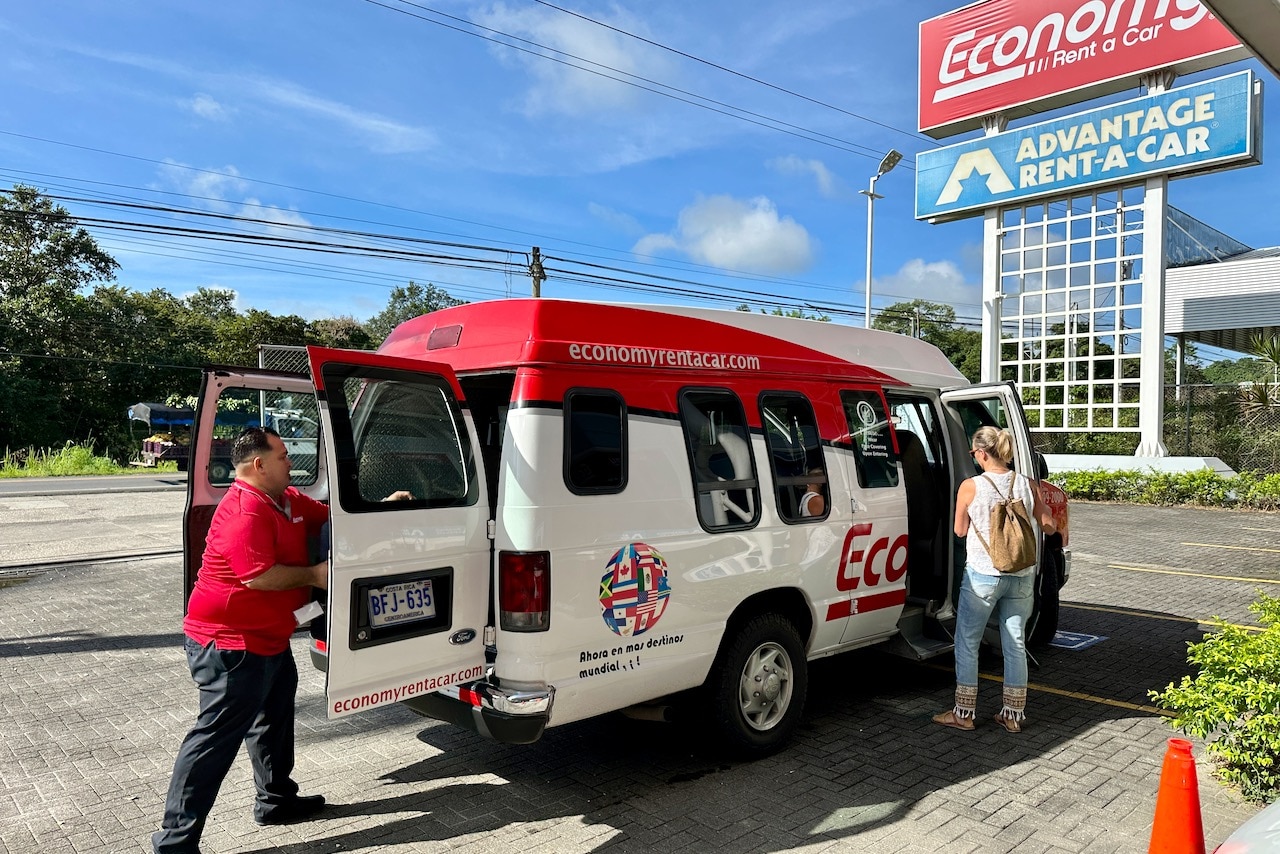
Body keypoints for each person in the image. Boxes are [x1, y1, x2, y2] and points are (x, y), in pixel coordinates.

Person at [153, 427, 330, 854]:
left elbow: (330, 515)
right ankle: (175, 843)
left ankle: (275, 801)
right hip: (228, 646)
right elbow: (259, 576)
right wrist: (314, 575)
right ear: (259, 465)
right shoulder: (244, 511)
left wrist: (385, 509)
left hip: (270, 637)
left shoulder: (286, 499)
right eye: (284, 455)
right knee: (214, 740)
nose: (292, 462)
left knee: (272, 723)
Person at [933, 426, 1056, 734]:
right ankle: (1013, 715)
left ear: (983, 453)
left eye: (975, 453)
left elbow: (959, 531)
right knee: (1014, 642)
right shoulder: (1028, 483)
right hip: (1022, 575)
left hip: (983, 575)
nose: (974, 458)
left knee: (967, 641)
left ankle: (964, 712)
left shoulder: (970, 486)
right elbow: (1048, 525)